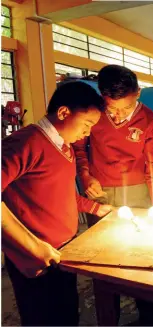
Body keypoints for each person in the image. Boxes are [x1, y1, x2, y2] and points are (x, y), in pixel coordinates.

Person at [1, 81, 111, 326]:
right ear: (63, 113)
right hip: (35, 258)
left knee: (67, 314)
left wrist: (96, 208)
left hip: (62, 251)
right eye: (87, 124)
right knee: (42, 317)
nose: (88, 132)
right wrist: (33, 246)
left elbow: (57, 192)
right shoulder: (26, 142)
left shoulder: (65, 147)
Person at [72, 64, 153, 325]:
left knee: (142, 254)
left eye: (126, 107)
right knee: (102, 259)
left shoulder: (150, 122)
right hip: (99, 193)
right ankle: (107, 317)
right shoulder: (93, 114)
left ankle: (147, 312)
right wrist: (86, 176)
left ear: (139, 93)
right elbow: (78, 149)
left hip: (137, 193)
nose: (118, 115)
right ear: (103, 97)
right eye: (112, 108)